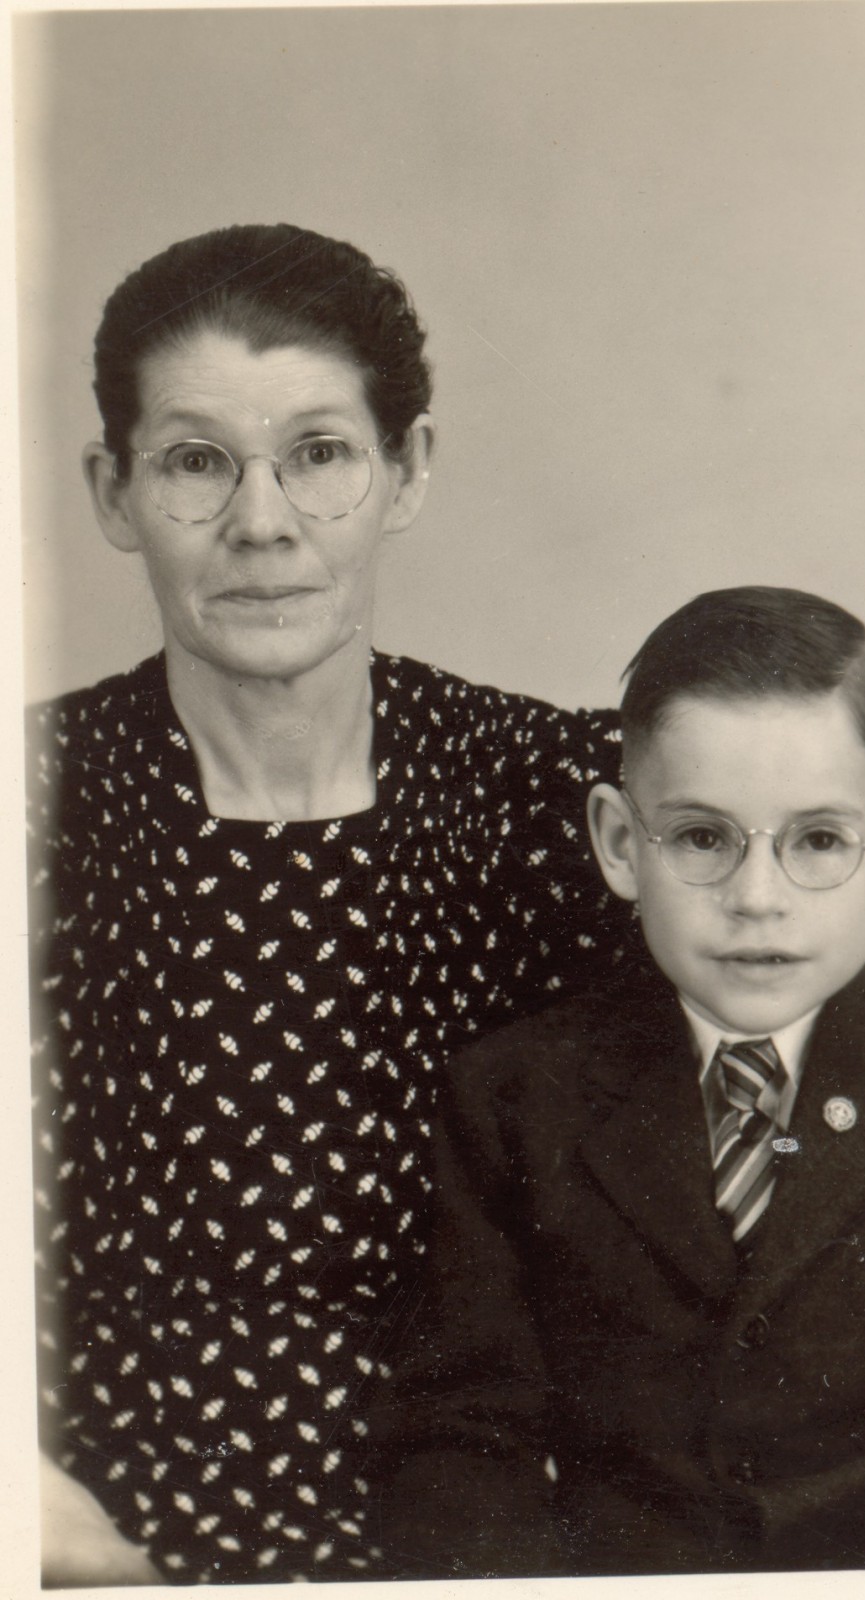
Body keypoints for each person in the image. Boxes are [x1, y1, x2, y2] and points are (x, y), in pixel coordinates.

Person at [26, 223, 635, 1585]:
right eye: (196, 462)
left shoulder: (556, 799)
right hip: (105, 1551)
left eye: (318, 453)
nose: (262, 522)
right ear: (113, 491)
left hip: (492, 1545)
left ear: (406, 470)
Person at [372, 585, 865, 1576]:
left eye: (819, 840)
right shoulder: (511, 1099)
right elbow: (457, 1449)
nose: (756, 899)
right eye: (702, 837)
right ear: (620, 843)